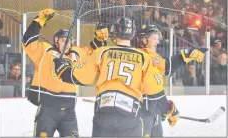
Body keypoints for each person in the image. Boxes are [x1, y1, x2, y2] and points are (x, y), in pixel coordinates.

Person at [53, 17, 183, 137]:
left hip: (103, 114)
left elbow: (77, 77)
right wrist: (169, 110)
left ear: (114, 33)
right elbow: (154, 92)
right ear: (132, 35)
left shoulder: (102, 52)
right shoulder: (144, 58)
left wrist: (62, 68)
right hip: (130, 117)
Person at [21, 9, 108, 137]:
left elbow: (94, 51)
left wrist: (100, 38)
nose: (67, 43)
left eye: (69, 40)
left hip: (69, 111)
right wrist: (38, 22)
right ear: (56, 41)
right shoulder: (45, 51)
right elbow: (27, 42)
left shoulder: (77, 52)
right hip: (47, 109)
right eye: (63, 40)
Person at [135, 24, 208, 137]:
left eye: (157, 38)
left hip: (152, 111)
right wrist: (167, 108)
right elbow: (153, 91)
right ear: (143, 39)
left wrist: (163, 110)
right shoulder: (142, 56)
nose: (157, 42)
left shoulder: (150, 56)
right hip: (142, 113)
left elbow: (166, 68)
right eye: (154, 38)